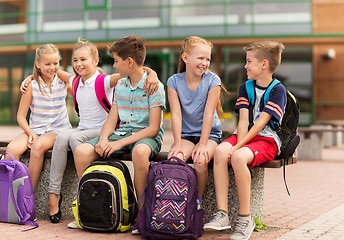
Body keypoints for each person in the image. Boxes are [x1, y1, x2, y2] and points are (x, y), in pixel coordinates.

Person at [20, 38, 160, 224]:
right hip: (85, 129)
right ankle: (54, 194)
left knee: (74, 139)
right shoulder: (75, 81)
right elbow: (49, 71)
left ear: (95, 61)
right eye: (75, 60)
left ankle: (89, 193)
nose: (78, 64)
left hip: (102, 131)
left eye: (83, 59)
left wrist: (153, 74)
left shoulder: (106, 81)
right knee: (63, 137)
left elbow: (136, 69)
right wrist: (30, 77)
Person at [73, 35, 165, 231]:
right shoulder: (121, 84)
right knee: (81, 151)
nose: (114, 66)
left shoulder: (154, 86)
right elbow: (112, 119)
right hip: (121, 134)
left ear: (129, 61)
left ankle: (141, 214)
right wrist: (104, 139)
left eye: (116, 61)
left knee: (139, 153)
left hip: (146, 137)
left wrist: (118, 144)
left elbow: (153, 128)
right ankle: (89, 206)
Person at [203, 41, 286, 240]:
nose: (245, 66)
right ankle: (222, 214)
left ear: (264, 64)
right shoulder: (245, 87)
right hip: (247, 136)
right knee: (221, 151)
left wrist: (240, 147)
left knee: (239, 157)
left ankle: (244, 218)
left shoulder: (278, 90)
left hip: (267, 140)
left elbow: (261, 125)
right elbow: (244, 122)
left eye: (249, 61)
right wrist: (239, 143)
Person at [6, 44, 71, 191]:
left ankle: (27, 195)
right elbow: (21, 116)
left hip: (58, 130)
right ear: (38, 64)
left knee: (38, 146)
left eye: (56, 63)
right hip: (36, 130)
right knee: (11, 150)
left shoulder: (63, 82)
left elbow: (81, 86)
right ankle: (13, 192)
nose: (52, 67)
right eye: (47, 64)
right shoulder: (31, 85)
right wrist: (30, 133)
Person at [167, 36, 224, 197]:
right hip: (186, 136)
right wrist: (177, 143)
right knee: (174, 160)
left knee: (200, 162)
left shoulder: (213, 80)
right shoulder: (174, 81)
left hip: (210, 135)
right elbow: (176, 115)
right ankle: (178, 201)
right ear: (185, 58)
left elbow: (208, 114)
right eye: (200, 58)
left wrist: (203, 144)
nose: (205, 63)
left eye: (208, 59)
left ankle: (197, 202)